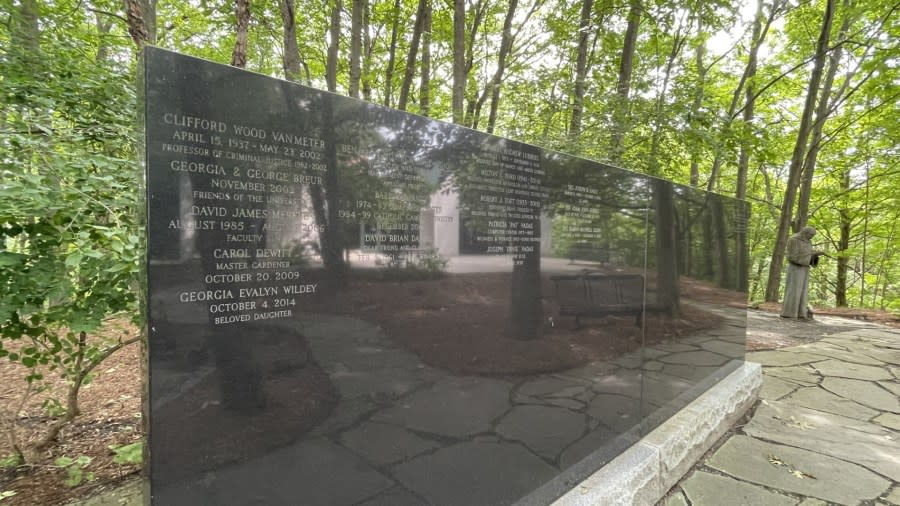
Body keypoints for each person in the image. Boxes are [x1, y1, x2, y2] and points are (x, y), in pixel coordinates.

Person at [781, 226, 822, 319]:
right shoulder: (794, 240)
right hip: (795, 269)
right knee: (794, 290)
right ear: (805, 232)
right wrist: (810, 255)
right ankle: (789, 313)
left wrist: (815, 255)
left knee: (803, 291)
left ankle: (800, 313)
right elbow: (791, 256)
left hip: (805, 268)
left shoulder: (809, 242)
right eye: (811, 235)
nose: (811, 237)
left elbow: (808, 254)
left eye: (813, 236)